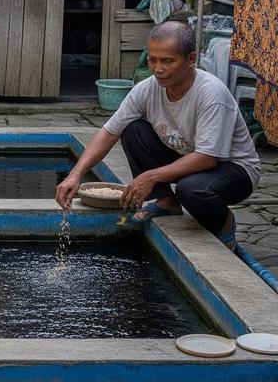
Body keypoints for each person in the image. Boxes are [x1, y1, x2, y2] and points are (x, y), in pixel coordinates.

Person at [55, 21, 261, 249]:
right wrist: (76, 174)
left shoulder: (210, 94)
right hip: (188, 155)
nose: (157, 68)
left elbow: (207, 157)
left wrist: (150, 177)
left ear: (190, 60)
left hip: (233, 169)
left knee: (191, 190)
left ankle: (223, 222)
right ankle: (166, 202)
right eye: (152, 59)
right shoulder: (147, 89)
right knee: (132, 130)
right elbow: (109, 132)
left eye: (167, 61)